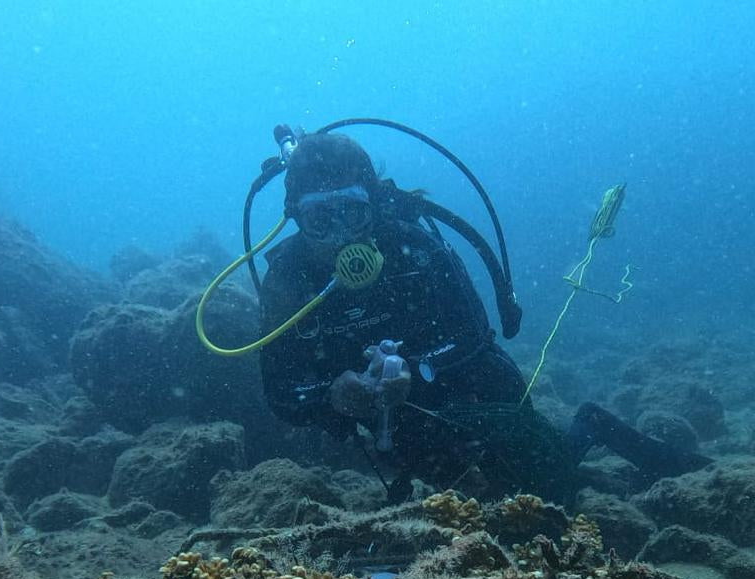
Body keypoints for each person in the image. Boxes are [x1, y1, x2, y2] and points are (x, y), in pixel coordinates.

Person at [257, 132, 709, 505]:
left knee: (547, 493)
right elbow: (281, 392)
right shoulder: (287, 280)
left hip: (472, 389)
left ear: (374, 205)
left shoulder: (416, 249)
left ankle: (591, 427)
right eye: (320, 219)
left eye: (352, 213)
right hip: (400, 425)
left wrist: (418, 368)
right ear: (296, 217)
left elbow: (474, 333)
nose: (340, 237)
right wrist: (333, 394)